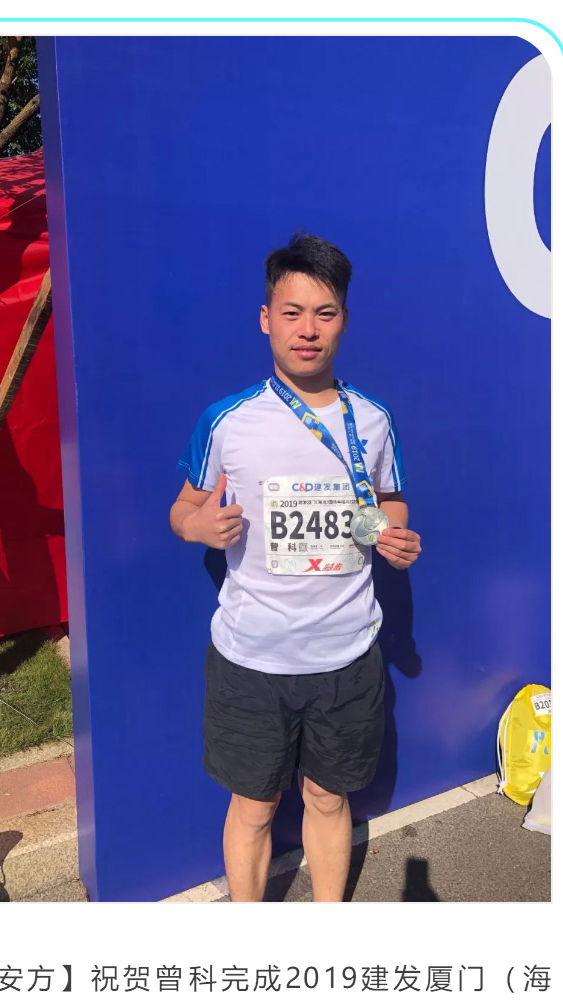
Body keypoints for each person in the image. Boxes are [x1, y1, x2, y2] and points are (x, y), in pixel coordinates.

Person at [170, 233, 422, 902]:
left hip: (347, 657)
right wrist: (199, 526)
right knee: (253, 808)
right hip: (251, 659)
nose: (308, 329)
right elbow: (182, 509)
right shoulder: (227, 421)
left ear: (343, 320)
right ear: (266, 318)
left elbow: (386, 502)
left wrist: (391, 534)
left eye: (324, 313)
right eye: (292, 312)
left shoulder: (373, 420)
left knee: (329, 799)